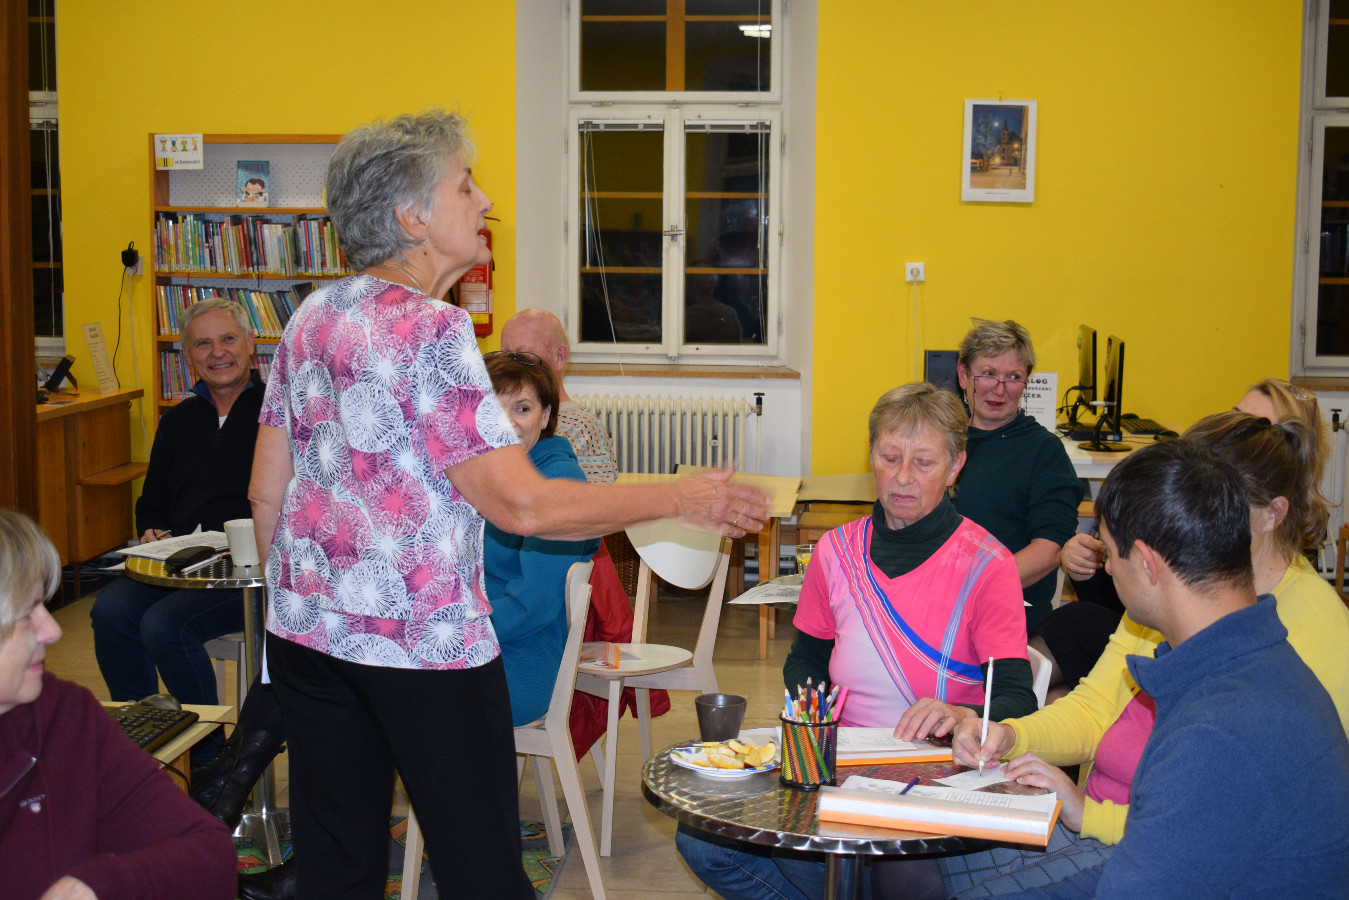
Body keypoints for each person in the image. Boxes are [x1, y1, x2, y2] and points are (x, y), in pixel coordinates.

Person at [247, 109, 768, 900]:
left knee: (337, 864)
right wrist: (679, 496)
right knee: (483, 870)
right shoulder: (433, 330)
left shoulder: (312, 316)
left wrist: (304, 605)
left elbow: (265, 489)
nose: (484, 200)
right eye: (464, 186)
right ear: (411, 216)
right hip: (422, 650)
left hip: (308, 635)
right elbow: (521, 507)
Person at [943, 412, 1349, 897]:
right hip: (1146, 843)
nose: (1108, 569)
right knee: (939, 858)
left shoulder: (1222, 722)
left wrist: (1086, 814)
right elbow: (1098, 713)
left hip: (1146, 851)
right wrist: (1010, 735)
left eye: (1112, 554)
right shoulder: (1240, 647)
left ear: (1150, 565)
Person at [677, 383, 1036, 900]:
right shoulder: (835, 551)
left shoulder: (987, 565)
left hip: (936, 777)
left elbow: (1017, 699)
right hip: (839, 766)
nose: (903, 477)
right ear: (871, 456)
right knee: (704, 843)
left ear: (956, 466)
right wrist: (813, 721)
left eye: (924, 462)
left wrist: (963, 716)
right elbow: (806, 657)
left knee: (893, 871)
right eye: (890, 457)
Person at [0, 509, 237, 900]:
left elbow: (209, 855)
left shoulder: (65, 715)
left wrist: (101, 884)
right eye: (27, 615)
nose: (53, 629)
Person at [1042, 377, 1327, 694]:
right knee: (1070, 636)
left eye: (1258, 429)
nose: (1234, 432)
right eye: (1235, 417)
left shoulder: (1310, 627)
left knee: (1073, 630)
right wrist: (1089, 569)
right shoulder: (1203, 549)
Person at [90, 298, 262, 711]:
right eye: (203, 344)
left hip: (252, 573)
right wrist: (150, 529)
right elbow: (151, 502)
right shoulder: (177, 420)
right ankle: (142, 731)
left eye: (228, 339)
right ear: (187, 355)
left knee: (164, 625)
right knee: (110, 611)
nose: (217, 353)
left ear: (250, 342)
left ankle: (206, 746)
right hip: (183, 563)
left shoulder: (279, 413)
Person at [481, 348, 599, 725]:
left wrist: (454, 631)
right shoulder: (483, 473)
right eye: (494, 407)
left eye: (522, 408)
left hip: (520, 658)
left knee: (392, 699)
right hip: (478, 643)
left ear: (545, 416)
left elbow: (533, 603)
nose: (507, 423)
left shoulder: (558, 485)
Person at [950, 318, 1084, 628]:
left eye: (1013, 377)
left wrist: (970, 590)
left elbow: (1050, 549)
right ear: (963, 375)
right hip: (937, 603)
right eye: (988, 373)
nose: (1000, 389)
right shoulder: (942, 438)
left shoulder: (1043, 451)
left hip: (1003, 613)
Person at [499, 307, 618, 484]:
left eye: (523, 356)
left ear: (559, 357)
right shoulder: (494, 414)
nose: (511, 366)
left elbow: (594, 497)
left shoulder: (581, 427)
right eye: (505, 355)